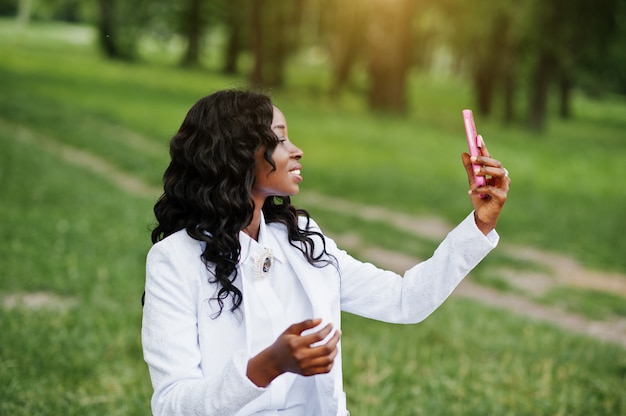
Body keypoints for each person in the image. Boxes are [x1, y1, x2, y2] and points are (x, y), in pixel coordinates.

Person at [141, 89, 510, 416]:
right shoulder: (174, 261)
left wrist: (480, 224)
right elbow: (173, 405)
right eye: (280, 139)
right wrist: (267, 366)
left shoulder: (299, 241)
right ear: (235, 153)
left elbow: (404, 300)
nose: (297, 150)